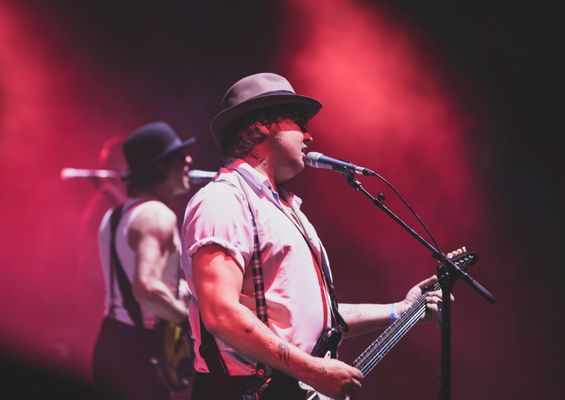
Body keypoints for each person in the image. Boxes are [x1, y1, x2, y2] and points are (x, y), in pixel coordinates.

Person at [180, 72, 451, 399]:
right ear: (263, 124)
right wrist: (312, 370)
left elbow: (315, 320)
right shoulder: (223, 200)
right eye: (298, 122)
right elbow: (220, 314)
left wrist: (400, 310)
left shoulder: (284, 209)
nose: (309, 135)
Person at [92, 121, 195, 400]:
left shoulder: (115, 216)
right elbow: (146, 287)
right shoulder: (157, 216)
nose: (189, 160)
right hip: (140, 349)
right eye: (180, 156)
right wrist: (188, 320)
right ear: (163, 167)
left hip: (111, 339)